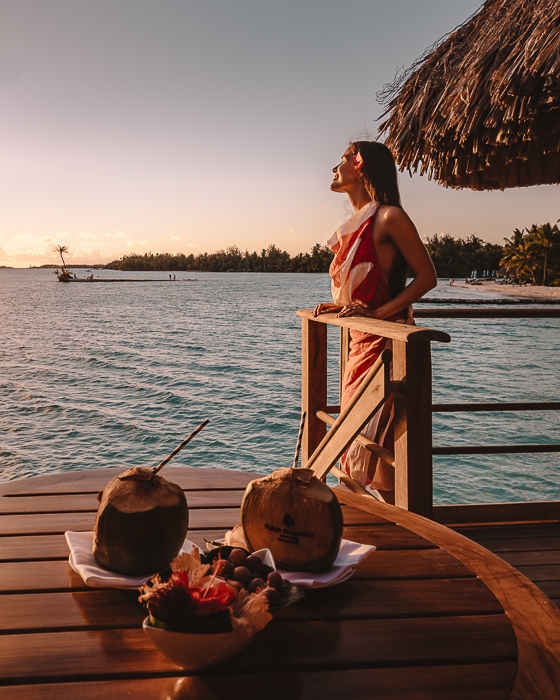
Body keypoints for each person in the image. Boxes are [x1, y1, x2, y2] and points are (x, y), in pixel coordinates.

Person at [313, 141, 437, 503]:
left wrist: (377, 315)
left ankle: (394, 528)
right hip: (360, 343)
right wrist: (344, 307)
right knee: (362, 441)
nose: (334, 169)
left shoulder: (388, 217)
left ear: (361, 166)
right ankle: (374, 524)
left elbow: (427, 277)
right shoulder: (360, 221)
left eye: (342, 160)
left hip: (384, 345)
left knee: (374, 440)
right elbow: (366, 293)